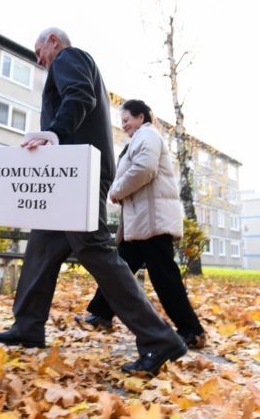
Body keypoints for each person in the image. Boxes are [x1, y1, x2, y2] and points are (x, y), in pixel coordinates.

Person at [0, 28, 187, 376]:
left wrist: (55, 133)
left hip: (77, 173)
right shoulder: (65, 62)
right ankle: (28, 325)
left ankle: (159, 339)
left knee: (95, 250)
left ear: (53, 41)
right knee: (41, 247)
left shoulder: (70, 56)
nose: (39, 60)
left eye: (39, 51)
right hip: (66, 174)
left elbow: (80, 95)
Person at [75, 99, 206, 349]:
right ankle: (101, 314)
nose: (123, 125)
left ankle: (192, 331)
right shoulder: (138, 139)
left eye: (126, 120)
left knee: (164, 277)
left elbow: (144, 169)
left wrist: (116, 190)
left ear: (141, 117)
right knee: (119, 271)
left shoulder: (148, 135)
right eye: (121, 121)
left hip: (153, 222)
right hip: (141, 223)